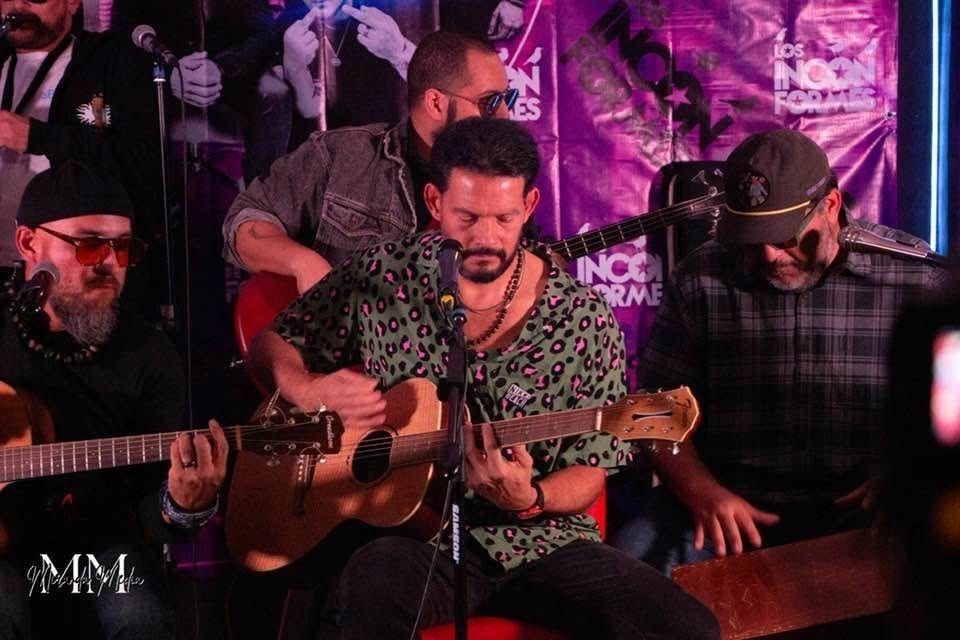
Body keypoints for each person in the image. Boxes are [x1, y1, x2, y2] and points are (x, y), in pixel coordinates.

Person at [249, 117, 720, 639]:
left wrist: (531, 497)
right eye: (468, 217)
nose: (486, 238)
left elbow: (590, 470)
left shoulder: (583, 319)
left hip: (540, 542)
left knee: (687, 627)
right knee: (371, 586)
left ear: (529, 206)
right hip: (417, 540)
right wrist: (307, 387)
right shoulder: (382, 277)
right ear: (435, 201)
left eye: (504, 218)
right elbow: (273, 343)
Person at [613, 129, 949, 574]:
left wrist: (908, 474)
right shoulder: (702, 276)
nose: (770, 255)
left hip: (863, 508)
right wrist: (703, 493)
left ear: (831, 206)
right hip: (730, 505)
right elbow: (650, 410)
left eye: (785, 237)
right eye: (753, 240)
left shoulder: (913, 277)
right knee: (630, 563)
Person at [0, 162, 228, 639]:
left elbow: (153, 508)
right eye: (89, 245)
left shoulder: (151, 355)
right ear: (28, 243)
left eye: (123, 248)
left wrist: (183, 505)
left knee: (137, 616)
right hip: (6, 550)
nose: (109, 264)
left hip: (98, 550)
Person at [222, 29, 520, 294]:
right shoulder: (341, 155)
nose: (504, 115)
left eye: (508, 99)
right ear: (436, 103)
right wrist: (304, 264)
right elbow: (243, 223)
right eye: (490, 102)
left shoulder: (504, 183)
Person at [0, 0, 158, 285]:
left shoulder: (112, 60)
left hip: (76, 272)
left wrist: (39, 137)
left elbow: (141, 162)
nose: (17, 5)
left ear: (72, 3)